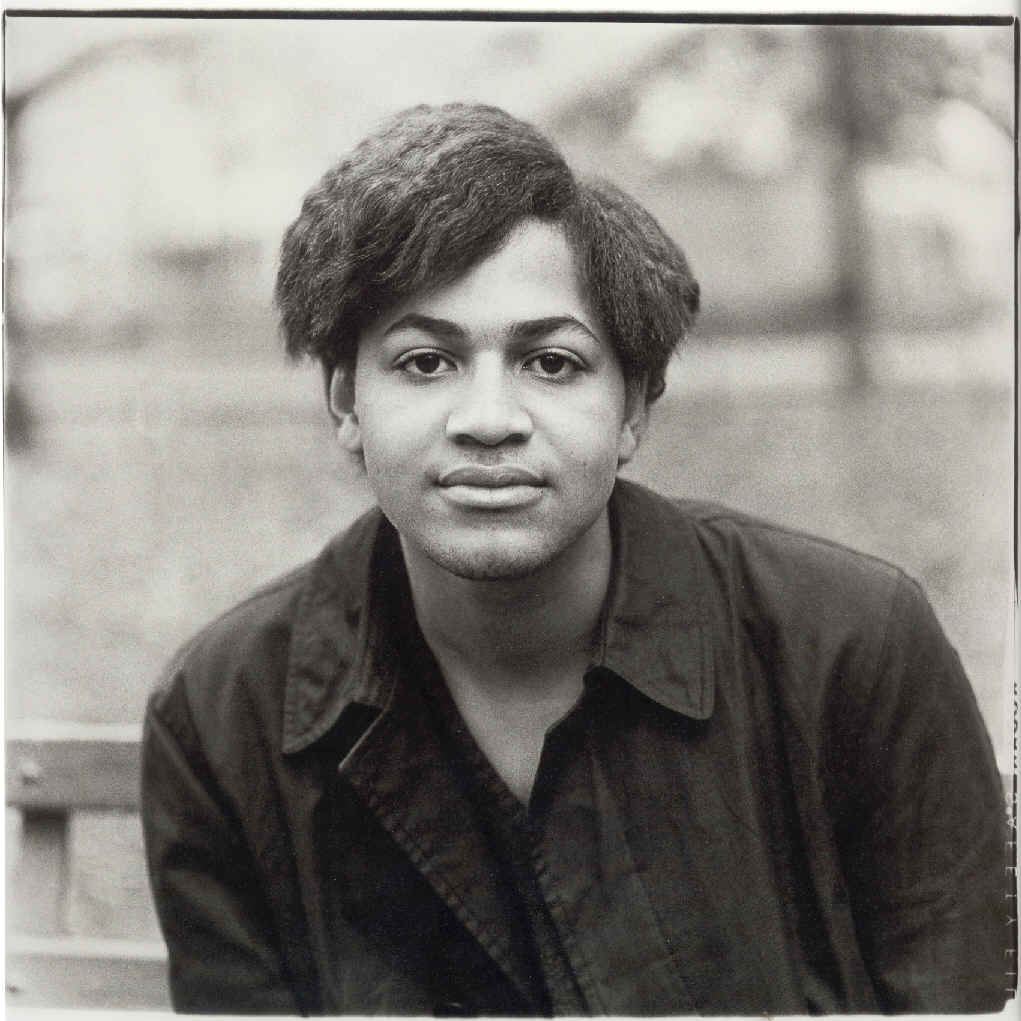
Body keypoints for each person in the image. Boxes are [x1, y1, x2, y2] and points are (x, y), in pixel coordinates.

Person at [141, 103, 1009, 1015]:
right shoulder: (221, 715)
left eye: (550, 362)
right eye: (425, 362)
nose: (487, 420)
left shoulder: (853, 647)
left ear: (632, 407)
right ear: (346, 404)